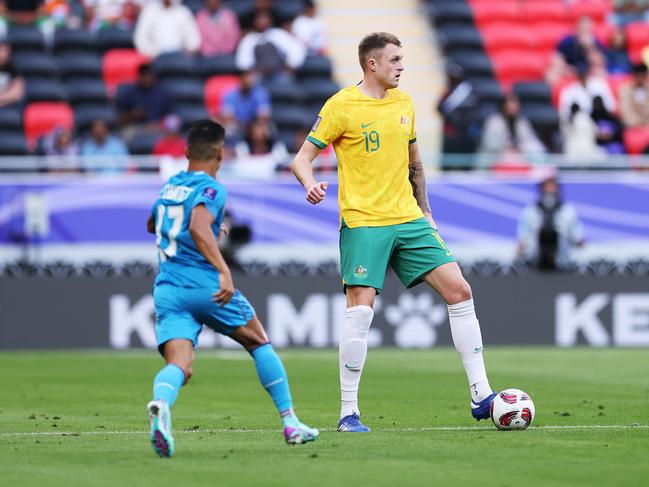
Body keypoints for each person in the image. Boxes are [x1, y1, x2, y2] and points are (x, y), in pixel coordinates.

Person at [290, 32, 496, 433]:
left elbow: (415, 164)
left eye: (403, 59)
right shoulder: (341, 105)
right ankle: (348, 412)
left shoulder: (405, 103)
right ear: (372, 64)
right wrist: (309, 183)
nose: (402, 66)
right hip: (364, 221)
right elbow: (302, 159)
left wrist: (428, 212)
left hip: (408, 218)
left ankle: (481, 394)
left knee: (461, 291)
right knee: (361, 311)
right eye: (395, 59)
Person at [145, 119, 318, 458]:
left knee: (181, 365)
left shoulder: (170, 185)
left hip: (167, 287)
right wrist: (224, 269)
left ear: (185, 152)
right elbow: (196, 224)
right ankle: (290, 422)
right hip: (205, 286)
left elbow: (154, 223)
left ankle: (162, 406)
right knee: (258, 341)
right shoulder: (213, 188)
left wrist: (210, 228)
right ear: (221, 154)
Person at [517, 175, 584, 271]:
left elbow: (578, 238)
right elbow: (522, 238)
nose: (549, 191)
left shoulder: (568, 211)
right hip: (535, 263)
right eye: (546, 188)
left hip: (563, 263)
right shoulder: (530, 211)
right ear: (541, 190)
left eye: (552, 187)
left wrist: (579, 243)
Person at [235, 10, 306, 80]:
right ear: (255, 21)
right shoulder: (249, 39)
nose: (263, 21)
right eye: (260, 18)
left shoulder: (278, 34)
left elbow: (297, 50)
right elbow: (243, 63)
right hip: (259, 77)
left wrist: (290, 67)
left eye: (265, 18)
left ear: (270, 20)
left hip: (280, 75)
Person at [478, 93, 546, 159]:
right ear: (503, 105)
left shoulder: (522, 122)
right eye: (510, 103)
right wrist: (507, 148)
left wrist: (519, 148)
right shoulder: (494, 121)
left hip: (519, 158)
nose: (513, 106)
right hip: (496, 158)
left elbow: (531, 141)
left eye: (515, 103)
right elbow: (490, 145)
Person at [436, 62, 481, 161]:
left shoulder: (469, 92)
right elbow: (439, 108)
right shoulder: (448, 93)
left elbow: (474, 113)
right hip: (450, 135)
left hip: (466, 136)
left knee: (466, 168)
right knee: (447, 166)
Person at [116, 63, 173, 139]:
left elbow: (171, 117)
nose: (146, 78)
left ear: (153, 76)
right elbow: (119, 119)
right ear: (139, 76)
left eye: (148, 75)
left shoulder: (162, 93)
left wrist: (159, 124)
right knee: (125, 135)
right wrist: (132, 115)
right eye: (143, 75)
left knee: (170, 137)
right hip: (136, 127)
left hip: (157, 127)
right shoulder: (130, 93)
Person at [134, 0, 200, 58]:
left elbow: (194, 39)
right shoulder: (149, 11)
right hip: (156, 56)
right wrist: (152, 54)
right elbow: (140, 38)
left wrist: (188, 51)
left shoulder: (183, 12)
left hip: (179, 57)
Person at [619, 63, 649, 127]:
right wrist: (637, 122)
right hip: (631, 124)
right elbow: (625, 110)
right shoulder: (625, 90)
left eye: (644, 76)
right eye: (639, 76)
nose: (641, 79)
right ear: (634, 75)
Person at [0, 42, 25, 108]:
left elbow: (17, 93)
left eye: (5, 51)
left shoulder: (14, 68)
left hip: (9, 104)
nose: (2, 54)